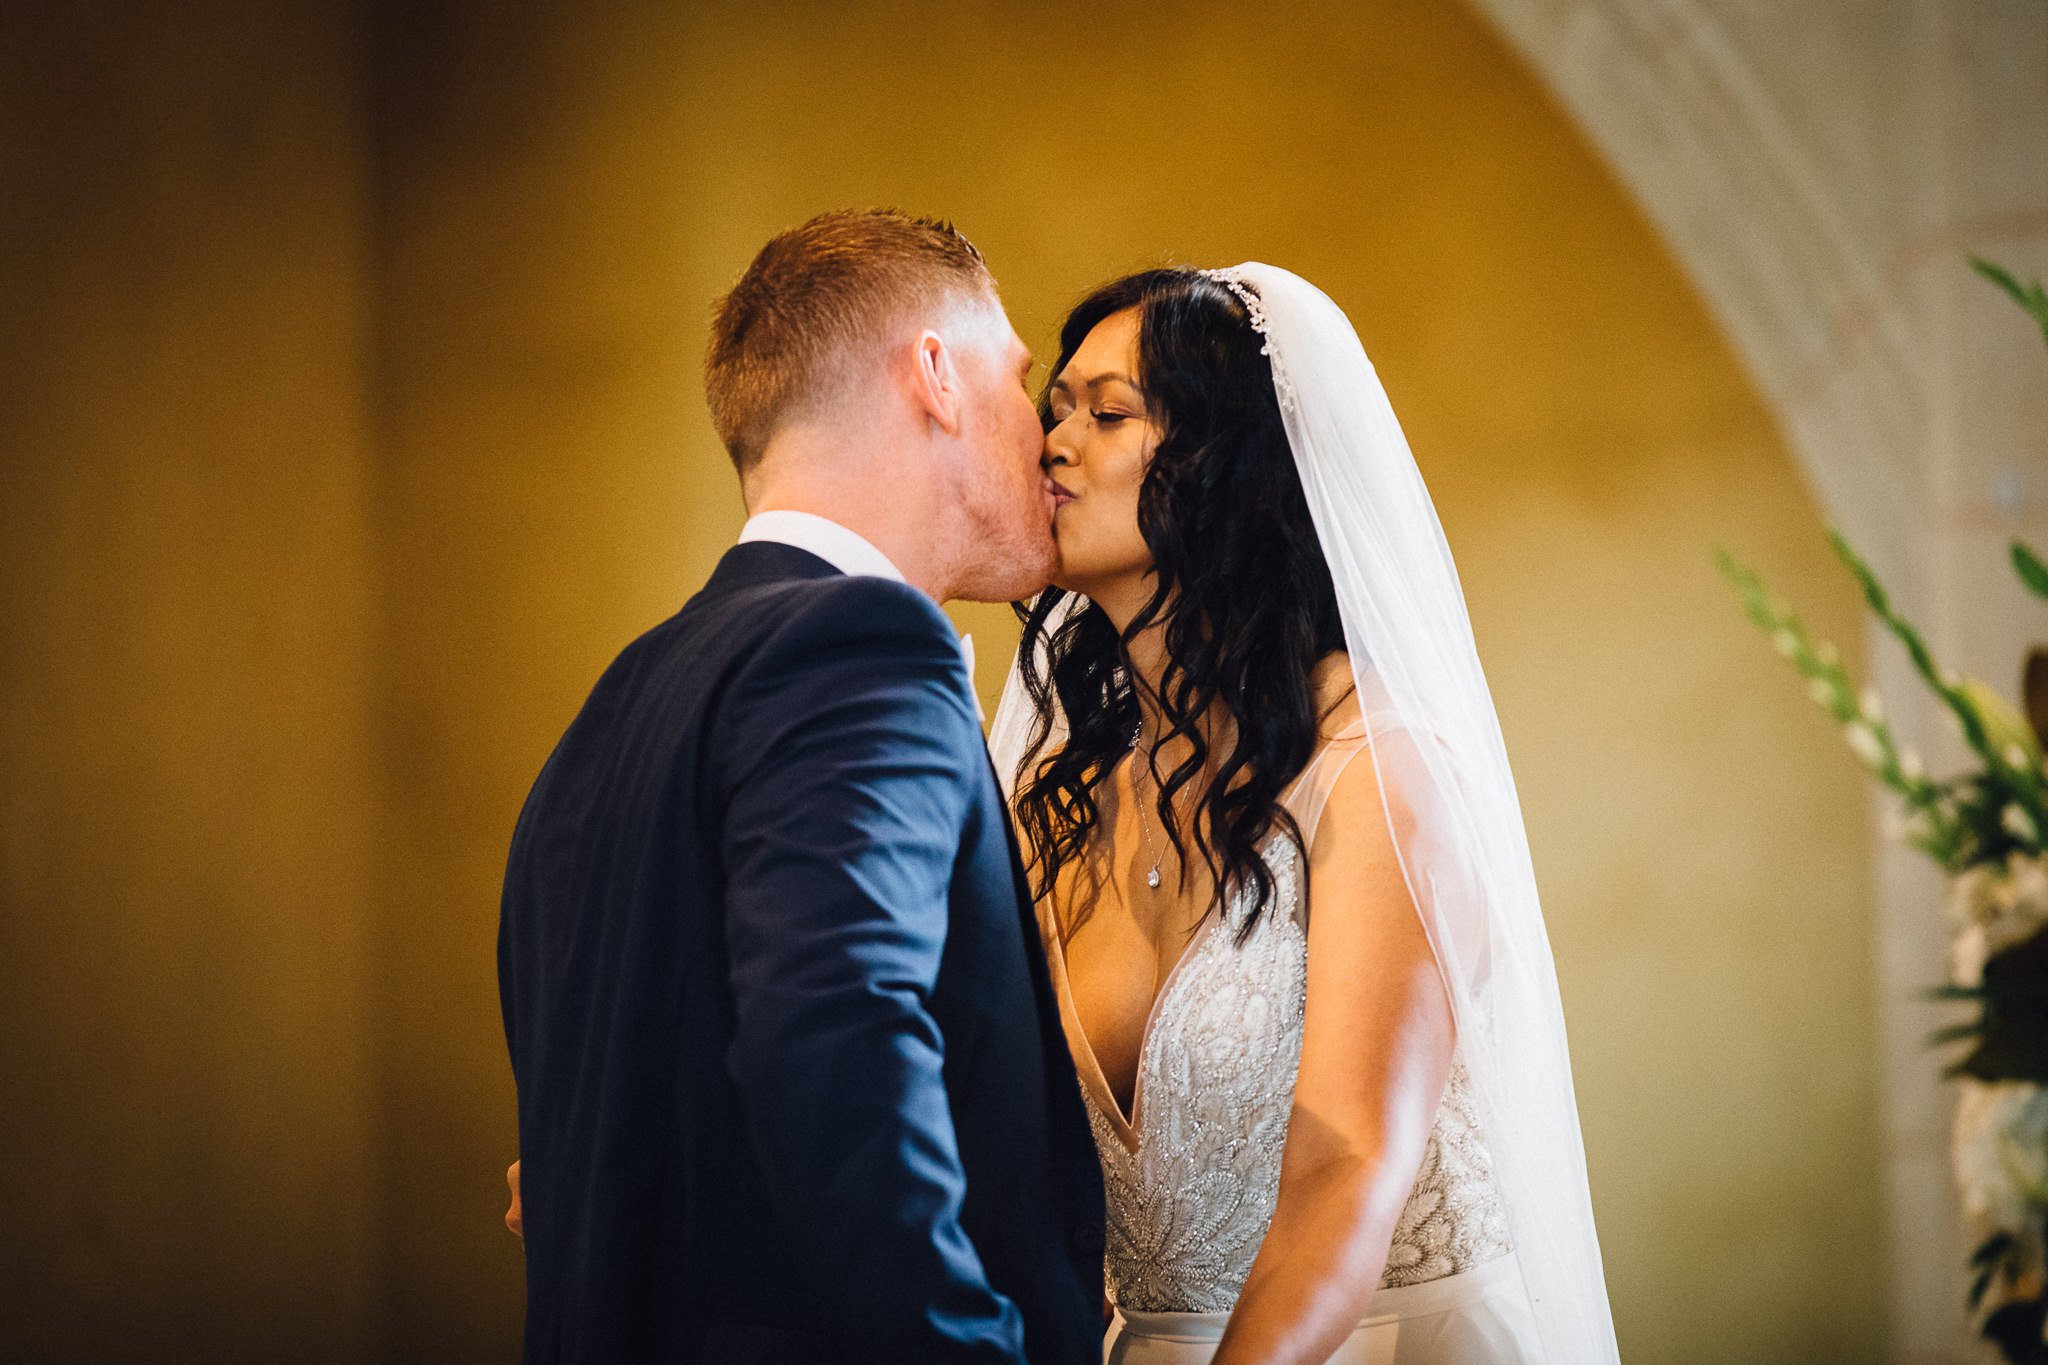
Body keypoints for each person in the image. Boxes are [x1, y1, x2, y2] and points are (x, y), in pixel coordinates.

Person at [497, 208, 1105, 1364]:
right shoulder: (865, 642)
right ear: (934, 374)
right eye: (1023, 380)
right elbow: (838, 1036)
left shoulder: (617, 702)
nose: (1043, 435)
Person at [986, 265, 1619, 1364]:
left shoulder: (1373, 767)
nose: (1053, 444)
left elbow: (1345, 1168)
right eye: (1055, 411)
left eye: (1107, 412)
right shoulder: (1060, 793)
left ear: (1224, 465)